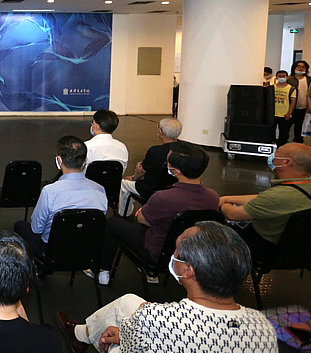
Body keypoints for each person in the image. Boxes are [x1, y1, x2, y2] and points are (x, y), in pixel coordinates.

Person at [57, 222, 278, 353]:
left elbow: (136, 336)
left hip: (147, 332)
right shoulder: (264, 328)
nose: (173, 256)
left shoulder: (157, 318)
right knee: (127, 303)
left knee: (110, 340)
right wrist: (125, 334)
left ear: (188, 271)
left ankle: (80, 334)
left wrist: (123, 336)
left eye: (176, 250)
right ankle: (81, 334)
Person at [87, 141, 219, 285]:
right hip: (189, 255)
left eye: (168, 163)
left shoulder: (163, 197)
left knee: (112, 224)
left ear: (176, 171)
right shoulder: (213, 197)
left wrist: (145, 211)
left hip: (156, 252)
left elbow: (142, 219)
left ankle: (102, 271)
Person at [14, 136, 107, 259]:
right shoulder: (100, 190)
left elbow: (36, 229)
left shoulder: (49, 192)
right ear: (84, 162)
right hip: (85, 250)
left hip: (52, 251)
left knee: (20, 226)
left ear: (59, 160)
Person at [219, 142, 311, 263]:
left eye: (277, 152)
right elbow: (262, 199)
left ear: (286, 162)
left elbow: (233, 214)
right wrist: (227, 198)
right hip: (300, 251)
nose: (273, 155)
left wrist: (222, 204)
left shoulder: (276, 196)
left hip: (266, 248)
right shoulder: (301, 186)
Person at [118, 117, 182, 217]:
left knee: (124, 183)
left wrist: (134, 178)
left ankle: (124, 213)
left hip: (152, 189)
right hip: (175, 188)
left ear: (160, 131)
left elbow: (142, 170)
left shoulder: (155, 151)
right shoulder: (185, 149)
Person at [287, 60, 311, 144]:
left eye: (303, 67)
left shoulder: (309, 79)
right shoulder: (289, 79)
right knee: (286, 127)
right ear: (294, 68)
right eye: (298, 66)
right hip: (290, 107)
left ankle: (298, 144)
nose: (300, 68)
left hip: (303, 108)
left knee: (299, 128)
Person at [273, 70, 297, 147]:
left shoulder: (291, 89)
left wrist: (289, 113)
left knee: (284, 134)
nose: (281, 78)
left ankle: (281, 148)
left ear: (287, 77)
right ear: (276, 77)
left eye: (283, 76)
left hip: (284, 114)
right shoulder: (272, 88)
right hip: (272, 114)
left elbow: (293, 102)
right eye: (280, 76)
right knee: (271, 132)